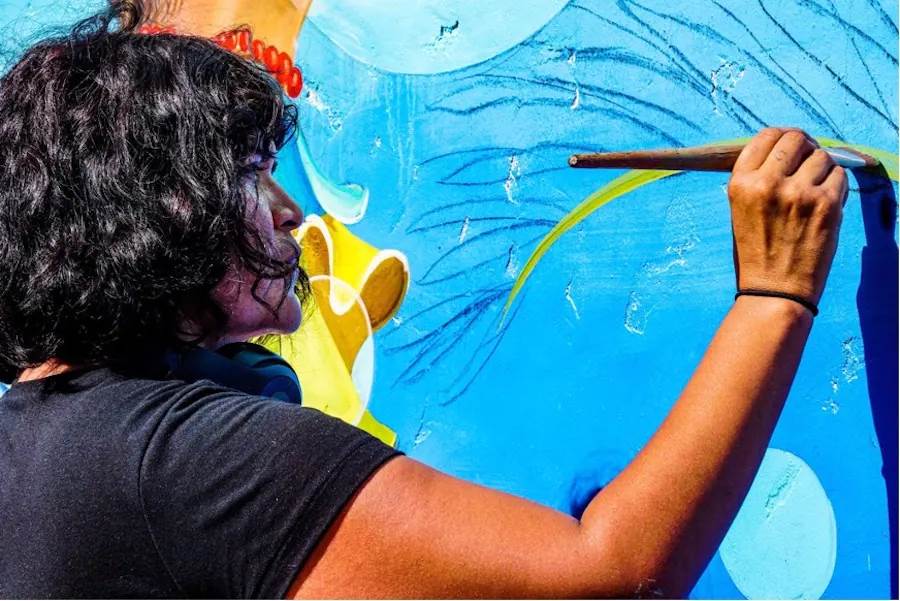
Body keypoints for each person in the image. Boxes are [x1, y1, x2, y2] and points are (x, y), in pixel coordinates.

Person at [0, 1, 848, 598]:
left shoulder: (38, 436)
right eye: (253, 178)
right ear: (162, 215)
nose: (291, 210)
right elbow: (610, 574)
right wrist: (775, 293)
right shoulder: (191, 459)